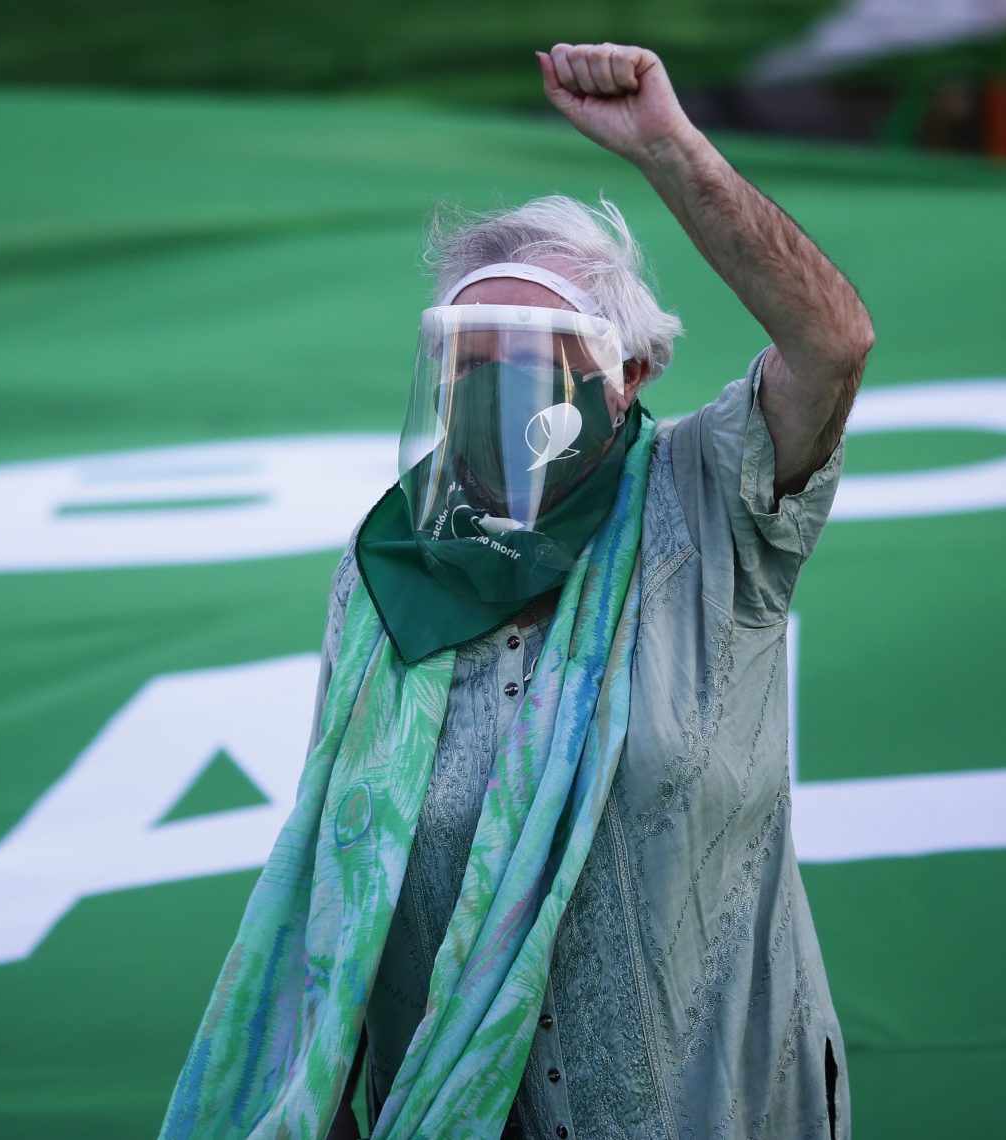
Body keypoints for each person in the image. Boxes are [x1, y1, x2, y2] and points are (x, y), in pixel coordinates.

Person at [160, 42, 873, 1140]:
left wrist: (668, 150)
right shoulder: (391, 568)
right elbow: (345, 898)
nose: (493, 394)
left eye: (533, 360)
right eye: (467, 365)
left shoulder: (707, 500)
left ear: (630, 371)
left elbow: (832, 340)